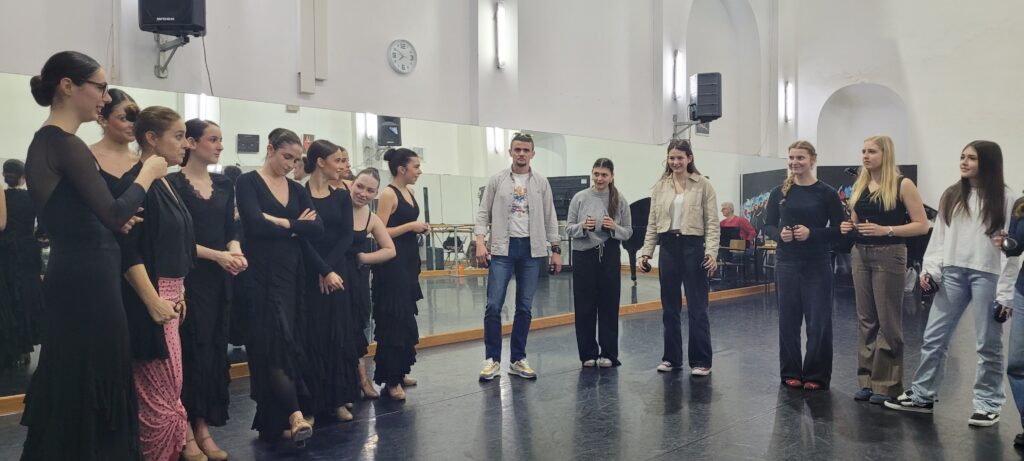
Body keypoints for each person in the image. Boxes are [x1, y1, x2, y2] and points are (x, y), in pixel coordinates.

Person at [21, 50, 167, 460]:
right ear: (68, 86)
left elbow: (89, 216)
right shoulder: (63, 144)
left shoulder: (52, 143)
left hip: (84, 273)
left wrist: (109, 223)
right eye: (100, 88)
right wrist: (147, 172)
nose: (104, 98)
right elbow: (114, 212)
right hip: (87, 281)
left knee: (83, 376)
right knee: (90, 375)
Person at [886, 141, 1021, 428]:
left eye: (971, 158)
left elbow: (1013, 250)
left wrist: (1006, 294)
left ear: (988, 163)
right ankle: (922, 395)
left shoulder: (1007, 199)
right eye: (962, 156)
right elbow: (940, 238)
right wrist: (932, 271)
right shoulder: (952, 194)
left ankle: (988, 404)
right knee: (934, 337)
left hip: (988, 275)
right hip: (953, 273)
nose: (964, 162)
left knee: (988, 343)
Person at [120, 106, 201, 461]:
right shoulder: (136, 183)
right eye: (179, 136)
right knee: (158, 401)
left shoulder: (165, 182)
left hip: (171, 299)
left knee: (169, 391)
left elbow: (176, 247)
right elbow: (128, 250)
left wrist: (179, 292)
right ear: (152, 138)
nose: (186, 144)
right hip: (151, 303)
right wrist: (154, 300)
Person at [235, 128, 322, 445]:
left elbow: (317, 227)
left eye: (296, 160)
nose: (291, 164)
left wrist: (281, 222)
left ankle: (277, 420)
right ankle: (295, 414)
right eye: (287, 157)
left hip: (292, 275)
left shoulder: (296, 189)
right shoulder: (247, 182)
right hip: (260, 274)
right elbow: (254, 224)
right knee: (274, 341)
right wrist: (297, 227)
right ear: (270, 149)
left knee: (288, 340)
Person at [168, 119, 244, 461]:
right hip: (189, 277)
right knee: (189, 353)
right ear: (191, 142)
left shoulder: (224, 184)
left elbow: (231, 228)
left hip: (219, 279)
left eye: (220, 139)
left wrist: (234, 250)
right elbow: (175, 238)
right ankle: (184, 430)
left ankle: (202, 428)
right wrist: (218, 256)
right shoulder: (173, 184)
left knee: (212, 351)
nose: (220, 146)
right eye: (213, 139)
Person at [839, 135, 929, 404]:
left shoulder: (903, 184)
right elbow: (855, 221)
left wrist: (886, 230)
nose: (865, 156)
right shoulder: (860, 184)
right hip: (860, 253)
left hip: (890, 254)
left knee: (888, 320)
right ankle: (867, 381)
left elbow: (922, 225)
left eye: (872, 151)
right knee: (866, 319)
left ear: (885, 154)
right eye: (863, 151)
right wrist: (848, 226)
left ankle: (886, 384)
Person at [475, 132, 562, 381]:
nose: (521, 154)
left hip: (532, 250)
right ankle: (492, 359)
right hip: (503, 248)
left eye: (526, 150)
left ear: (532, 153)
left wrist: (555, 249)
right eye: (517, 149)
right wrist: (480, 242)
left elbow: (550, 216)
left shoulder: (541, 182)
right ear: (510, 152)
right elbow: (483, 213)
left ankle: (517, 359)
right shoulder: (497, 180)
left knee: (524, 307)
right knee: (493, 305)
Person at [763, 141, 845, 390]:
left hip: (817, 263)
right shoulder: (779, 193)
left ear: (812, 160)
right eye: (791, 157)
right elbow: (768, 226)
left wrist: (812, 233)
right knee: (788, 321)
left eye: (800, 157)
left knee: (818, 322)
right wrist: (780, 235)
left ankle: (816, 375)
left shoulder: (827, 193)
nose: (794, 162)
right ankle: (790, 371)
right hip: (787, 263)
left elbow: (840, 230)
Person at [638, 139, 719, 376]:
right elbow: (653, 223)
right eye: (671, 158)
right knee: (670, 307)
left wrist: (711, 252)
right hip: (668, 247)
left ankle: (701, 361)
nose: (675, 162)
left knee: (697, 307)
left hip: (694, 247)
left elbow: (712, 223)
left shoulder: (704, 185)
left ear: (689, 158)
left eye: (680, 158)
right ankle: (671, 358)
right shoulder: (660, 187)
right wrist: (646, 252)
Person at [299, 139, 360, 419]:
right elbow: (302, 237)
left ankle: (337, 399)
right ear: (321, 162)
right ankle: (312, 403)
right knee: (312, 334)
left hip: (337, 272)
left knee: (337, 333)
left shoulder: (341, 196)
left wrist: (330, 269)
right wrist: (322, 270)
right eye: (338, 160)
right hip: (310, 271)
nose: (342, 166)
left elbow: (346, 235)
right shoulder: (300, 195)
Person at [566, 158, 632, 367]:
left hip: (609, 255)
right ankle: (587, 353)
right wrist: (582, 227)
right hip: (583, 255)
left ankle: (609, 354)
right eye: (596, 174)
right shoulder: (580, 197)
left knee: (609, 305)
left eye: (604, 175)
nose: (599, 178)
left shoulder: (619, 199)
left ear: (611, 176)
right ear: (592, 174)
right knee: (584, 305)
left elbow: (628, 232)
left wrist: (614, 227)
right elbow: (568, 228)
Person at [373, 148, 428, 399]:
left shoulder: (410, 192)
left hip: (408, 261)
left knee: (405, 317)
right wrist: (410, 226)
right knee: (393, 319)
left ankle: (401, 369)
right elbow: (379, 230)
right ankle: (391, 378)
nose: (419, 171)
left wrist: (418, 228)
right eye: (416, 167)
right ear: (401, 169)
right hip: (392, 263)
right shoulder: (388, 194)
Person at [1, 160, 43, 368]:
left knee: (8, 297)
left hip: (5, 252)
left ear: (4, 175)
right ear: (24, 177)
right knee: (27, 297)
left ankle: (9, 344)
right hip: (27, 251)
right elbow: (43, 228)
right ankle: (25, 347)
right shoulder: (33, 198)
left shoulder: (3, 197)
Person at [998, 194, 1024, 444]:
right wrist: (1005, 242)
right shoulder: (1021, 205)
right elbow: (1015, 247)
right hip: (1023, 291)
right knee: (1017, 363)